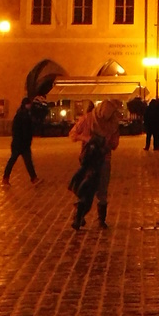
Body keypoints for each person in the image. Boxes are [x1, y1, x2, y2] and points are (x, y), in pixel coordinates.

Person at [68, 98, 122, 229]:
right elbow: (73, 134)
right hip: (89, 160)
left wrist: (105, 143)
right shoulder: (88, 119)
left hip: (102, 159)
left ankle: (93, 218)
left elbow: (114, 144)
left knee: (97, 188)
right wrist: (87, 138)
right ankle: (82, 217)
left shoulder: (113, 124)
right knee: (88, 188)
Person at [2, 97, 40, 185]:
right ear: (26, 104)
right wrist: (26, 139)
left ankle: (34, 178)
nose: (30, 106)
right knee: (14, 160)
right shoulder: (22, 115)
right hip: (20, 143)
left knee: (27, 161)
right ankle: (6, 178)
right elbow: (23, 129)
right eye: (29, 104)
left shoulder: (24, 114)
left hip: (21, 143)